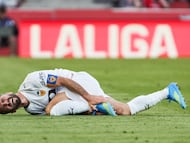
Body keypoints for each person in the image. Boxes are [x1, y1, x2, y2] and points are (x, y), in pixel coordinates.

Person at [0, 68, 187, 116]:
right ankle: (167, 92)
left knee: (51, 111)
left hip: (79, 82)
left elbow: (64, 82)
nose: (6, 103)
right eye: (5, 107)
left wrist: (87, 98)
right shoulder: (31, 110)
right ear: (11, 111)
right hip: (75, 96)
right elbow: (65, 106)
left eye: (3, 100)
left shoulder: (31, 81)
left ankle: (95, 106)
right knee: (125, 110)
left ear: (7, 93)